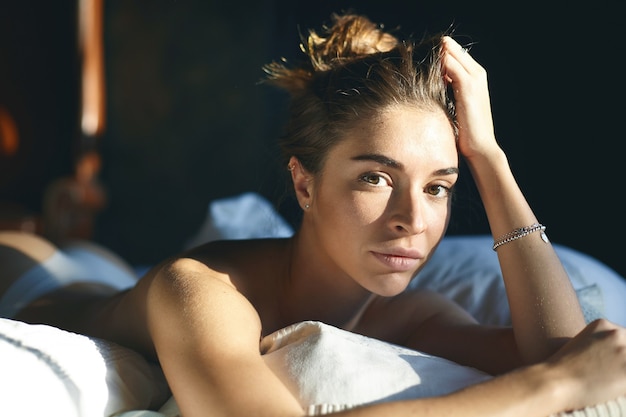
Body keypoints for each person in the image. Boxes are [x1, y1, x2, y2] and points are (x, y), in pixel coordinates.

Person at [1, 12, 626, 417]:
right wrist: (549, 391)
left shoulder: (410, 316)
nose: (413, 217)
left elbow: (564, 350)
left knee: (91, 254)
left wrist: (487, 158)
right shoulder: (200, 289)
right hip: (37, 284)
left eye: (438, 186)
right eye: (375, 178)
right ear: (304, 183)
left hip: (114, 276)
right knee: (40, 246)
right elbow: (559, 375)